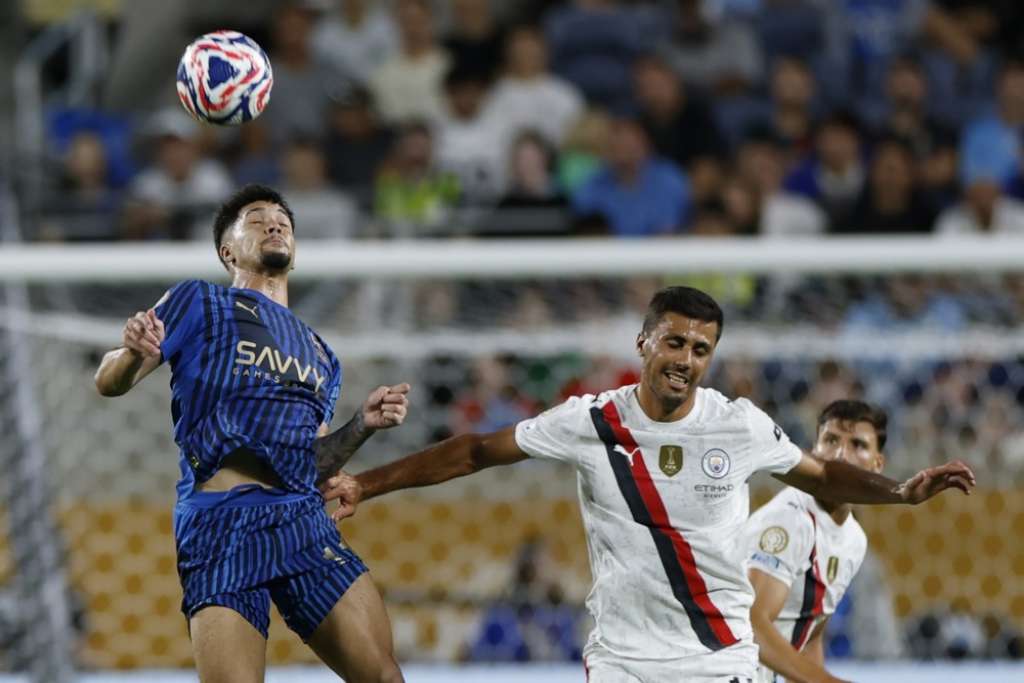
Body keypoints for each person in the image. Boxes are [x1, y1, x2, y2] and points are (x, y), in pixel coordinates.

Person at [323, 286, 975, 682]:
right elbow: (474, 452)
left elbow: (822, 471)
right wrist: (366, 484)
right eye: (675, 342)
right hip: (623, 661)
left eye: (700, 349)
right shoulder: (591, 421)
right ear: (643, 342)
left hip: (718, 658)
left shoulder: (738, 424)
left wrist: (900, 492)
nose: (686, 360)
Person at [94, 184, 407, 683]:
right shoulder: (201, 301)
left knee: (384, 677)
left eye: (282, 220)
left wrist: (362, 425)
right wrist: (131, 352)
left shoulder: (322, 354)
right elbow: (108, 382)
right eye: (257, 219)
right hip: (221, 525)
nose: (274, 223)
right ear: (228, 251)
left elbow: (314, 465)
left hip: (300, 519)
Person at [744, 400, 887, 683]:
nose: (841, 455)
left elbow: (810, 637)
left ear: (877, 464)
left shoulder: (854, 540)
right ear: (814, 451)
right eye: (831, 440)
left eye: (857, 445)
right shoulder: (790, 520)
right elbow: (751, 625)